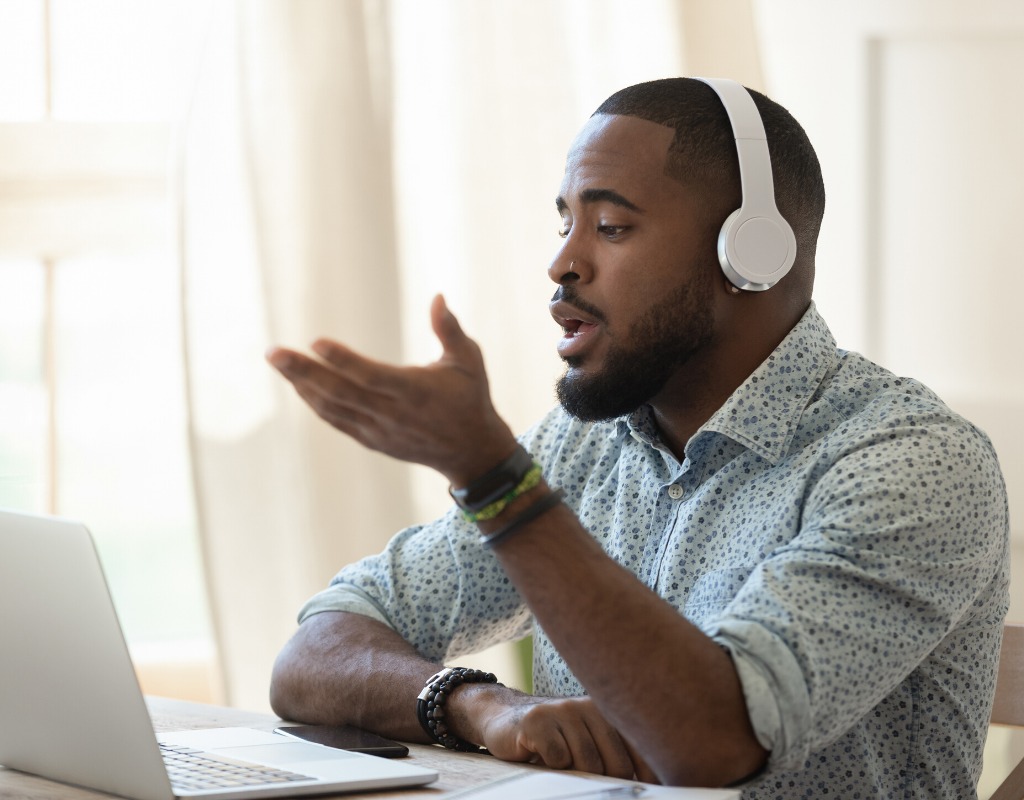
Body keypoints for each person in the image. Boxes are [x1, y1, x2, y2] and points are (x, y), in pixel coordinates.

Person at [265, 77, 1009, 797]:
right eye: (565, 224)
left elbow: (714, 743)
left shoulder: (914, 462)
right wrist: (478, 705)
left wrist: (494, 479)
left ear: (750, 254)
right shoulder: (588, 444)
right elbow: (317, 650)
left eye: (611, 226)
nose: (562, 263)